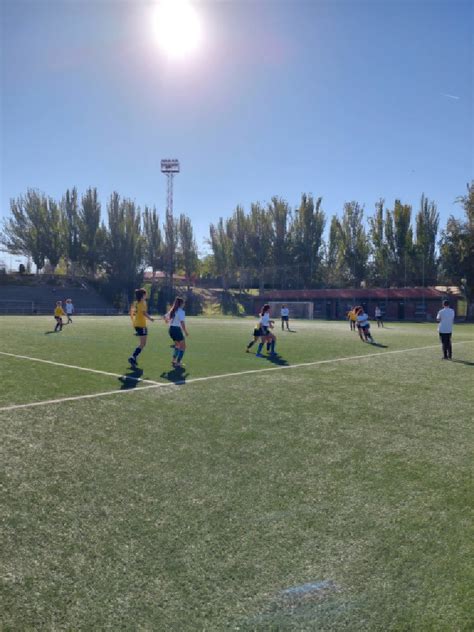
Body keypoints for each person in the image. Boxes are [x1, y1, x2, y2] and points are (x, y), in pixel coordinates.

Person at [128, 288, 155, 368]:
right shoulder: (142, 303)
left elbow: (135, 312)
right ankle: (133, 357)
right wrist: (150, 318)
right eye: (145, 294)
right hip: (141, 325)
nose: (146, 295)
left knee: (142, 343)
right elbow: (144, 313)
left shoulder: (137, 303)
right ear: (143, 295)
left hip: (137, 324)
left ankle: (134, 357)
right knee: (143, 344)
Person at [165, 297, 189, 367]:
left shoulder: (172, 310)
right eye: (183, 303)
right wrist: (185, 331)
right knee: (183, 347)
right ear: (181, 304)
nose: (184, 304)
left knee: (177, 345)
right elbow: (182, 322)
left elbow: (166, 319)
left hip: (171, 330)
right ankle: (178, 362)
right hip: (176, 330)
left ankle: (173, 360)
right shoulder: (181, 311)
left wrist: (166, 319)